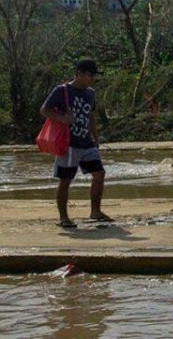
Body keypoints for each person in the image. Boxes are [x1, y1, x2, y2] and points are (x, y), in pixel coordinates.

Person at [40, 58, 112, 228]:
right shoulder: (62, 90)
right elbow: (44, 110)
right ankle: (63, 217)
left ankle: (95, 211)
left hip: (86, 142)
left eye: (94, 76)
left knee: (99, 173)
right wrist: (62, 118)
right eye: (89, 75)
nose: (92, 79)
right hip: (69, 143)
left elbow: (90, 115)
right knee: (66, 179)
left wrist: (95, 136)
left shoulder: (90, 93)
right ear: (79, 74)